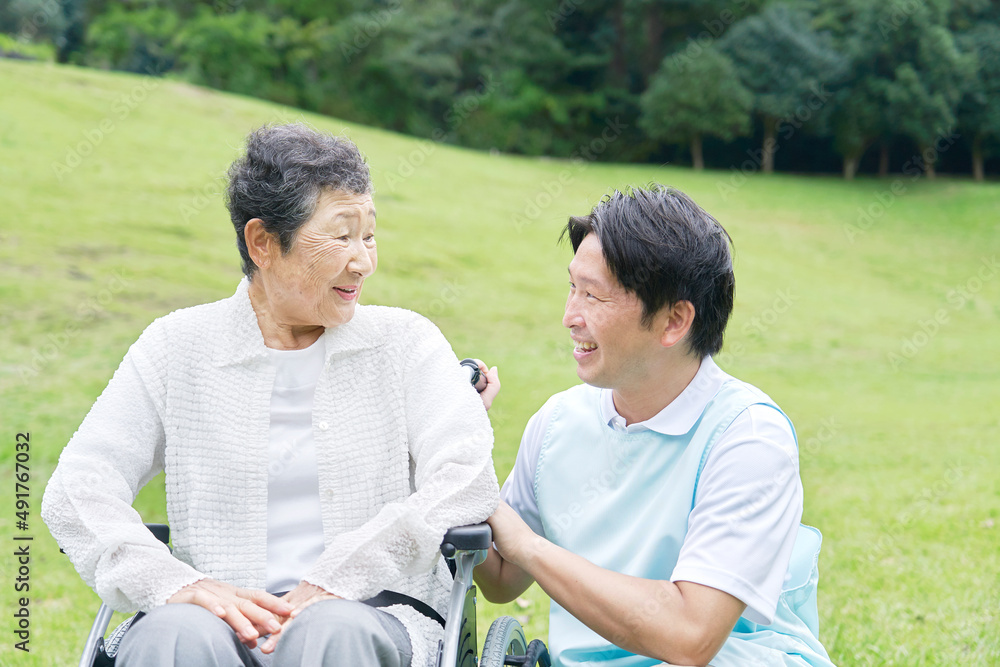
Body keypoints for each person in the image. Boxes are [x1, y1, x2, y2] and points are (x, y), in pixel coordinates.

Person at [42, 123, 500, 667]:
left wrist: (340, 578)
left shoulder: (405, 343)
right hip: (215, 619)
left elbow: (466, 479)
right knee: (173, 637)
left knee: (330, 631)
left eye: (369, 235)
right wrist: (170, 582)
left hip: (371, 613)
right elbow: (77, 487)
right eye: (341, 236)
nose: (363, 261)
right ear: (262, 242)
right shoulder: (177, 346)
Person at [474, 185, 834, 667]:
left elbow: (690, 637)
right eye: (572, 287)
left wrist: (533, 549)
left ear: (673, 322)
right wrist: (460, 445)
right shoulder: (558, 422)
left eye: (594, 296)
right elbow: (500, 576)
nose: (569, 317)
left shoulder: (747, 437)